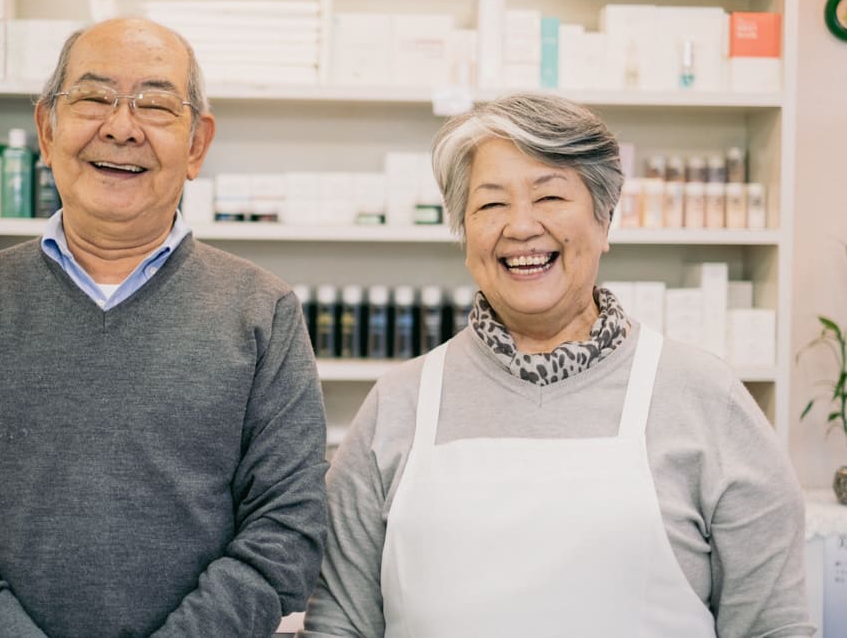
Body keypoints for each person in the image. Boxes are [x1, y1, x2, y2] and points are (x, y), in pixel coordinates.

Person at [301, 93, 814, 637]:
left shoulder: (706, 398)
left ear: (604, 219)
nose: (521, 227)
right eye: (491, 204)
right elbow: (340, 623)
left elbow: (773, 626)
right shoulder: (399, 403)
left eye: (549, 196)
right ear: (465, 234)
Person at [0, 18, 328, 638]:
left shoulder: (262, 311)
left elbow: (287, 528)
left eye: (157, 104)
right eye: (93, 98)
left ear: (197, 145)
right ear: (47, 128)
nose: (121, 127)